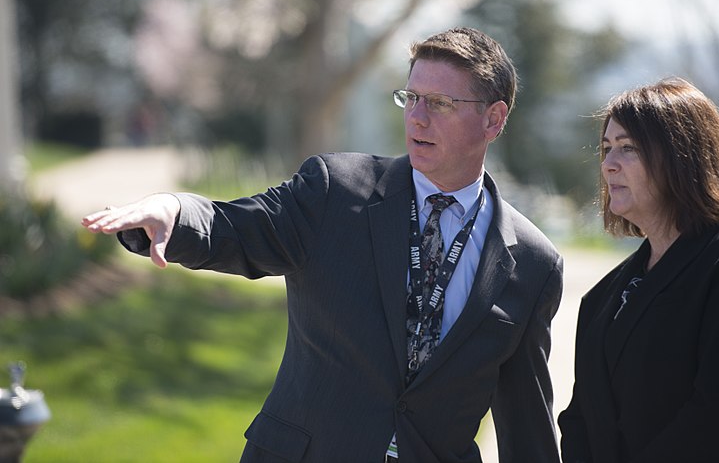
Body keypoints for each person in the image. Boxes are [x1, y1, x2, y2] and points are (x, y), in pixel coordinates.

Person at [82, 27, 563, 463]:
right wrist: (175, 212)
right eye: (411, 97)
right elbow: (241, 226)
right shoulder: (337, 190)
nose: (416, 118)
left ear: (494, 119)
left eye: (439, 103)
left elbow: (528, 425)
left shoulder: (534, 263)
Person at [558, 77, 719, 463]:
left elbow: (717, 419)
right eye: (605, 149)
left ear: (681, 156)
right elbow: (579, 419)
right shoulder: (604, 296)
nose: (608, 165)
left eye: (627, 148)